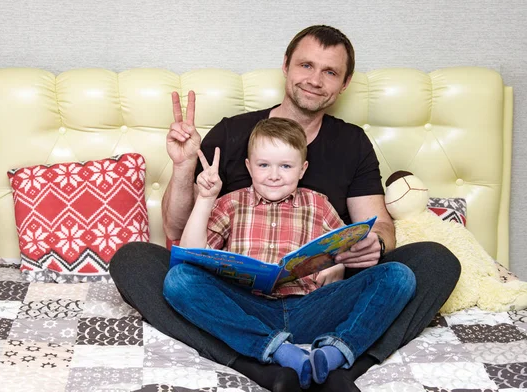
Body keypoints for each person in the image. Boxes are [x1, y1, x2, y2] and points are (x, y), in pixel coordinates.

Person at [110, 25, 461, 392]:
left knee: (434, 262)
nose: (314, 79)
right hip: (238, 301)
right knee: (136, 262)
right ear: (286, 66)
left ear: (345, 83)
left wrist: (373, 246)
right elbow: (178, 231)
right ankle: (263, 366)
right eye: (306, 65)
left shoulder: (351, 144)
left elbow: (378, 226)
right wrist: (184, 168)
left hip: (321, 300)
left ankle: (340, 367)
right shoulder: (233, 134)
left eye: (329, 72)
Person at [163, 117, 417, 389]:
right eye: (263, 165)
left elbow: (344, 246)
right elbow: (191, 252)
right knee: (178, 279)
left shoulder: (318, 205)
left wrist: (338, 266)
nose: (274, 175)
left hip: (311, 308)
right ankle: (280, 350)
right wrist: (205, 198)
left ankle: (332, 354)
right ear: (249, 167)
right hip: (249, 308)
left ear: (302, 169)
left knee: (399, 276)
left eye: (285, 166)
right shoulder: (231, 203)